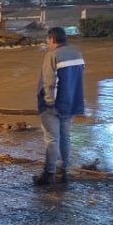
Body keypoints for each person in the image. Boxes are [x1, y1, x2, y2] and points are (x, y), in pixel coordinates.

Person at [34, 26, 85, 186]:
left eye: (48, 40)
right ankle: (64, 172)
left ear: (52, 40)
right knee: (65, 137)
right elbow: (76, 79)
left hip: (53, 105)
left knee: (52, 139)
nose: (47, 43)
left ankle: (48, 174)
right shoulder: (77, 53)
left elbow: (49, 82)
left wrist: (48, 102)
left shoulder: (52, 55)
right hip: (70, 103)